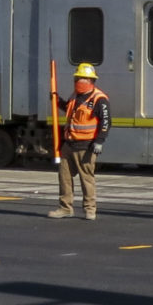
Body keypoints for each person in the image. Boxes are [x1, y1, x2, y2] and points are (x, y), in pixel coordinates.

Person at [49, 62, 111, 219]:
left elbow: (106, 121)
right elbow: (70, 111)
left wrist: (99, 141)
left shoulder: (99, 99)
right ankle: (65, 207)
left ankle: (90, 209)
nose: (79, 81)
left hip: (86, 146)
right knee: (64, 177)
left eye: (82, 79)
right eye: (77, 78)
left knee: (86, 179)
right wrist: (58, 101)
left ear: (91, 81)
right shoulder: (75, 96)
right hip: (69, 144)